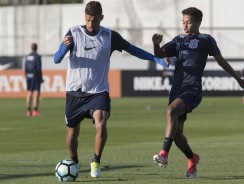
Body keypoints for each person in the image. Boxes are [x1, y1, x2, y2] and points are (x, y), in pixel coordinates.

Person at [53, 1, 168, 178]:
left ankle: (96, 160)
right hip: (75, 92)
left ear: (102, 18)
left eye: (95, 21)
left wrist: (156, 59)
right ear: (85, 17)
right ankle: (74, 162)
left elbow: (132, 49)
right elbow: (56, 59)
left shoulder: (109, 36)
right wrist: (63, 47)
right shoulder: (74, 32)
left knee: (101, 123)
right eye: (88, 20)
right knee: (72, 133)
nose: (91, 24)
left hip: (98, 92)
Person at [151, 7, 244, 178]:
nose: (185, 26)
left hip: (192, 90)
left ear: (199, 23)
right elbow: (160, 53)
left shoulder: (206, 40)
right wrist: (156, 44)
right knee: (177, 135)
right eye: (183, 22)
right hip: (176, 91)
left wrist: (238, 79)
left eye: (189, 22)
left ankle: (164, 154)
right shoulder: (178, 40)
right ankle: (192, 158)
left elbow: (221, 61)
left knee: (171, 111)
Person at [25, 43, 43, 117]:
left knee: (29, 93)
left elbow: (26, 67)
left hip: (29, 76)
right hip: (35, 76)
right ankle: (35, 110)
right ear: (36, 48)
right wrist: (41, 78)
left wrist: (26, 75)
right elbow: (39, 68)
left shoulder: (28, 56)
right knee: (36, 93)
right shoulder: (37, 56)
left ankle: (28, 111)